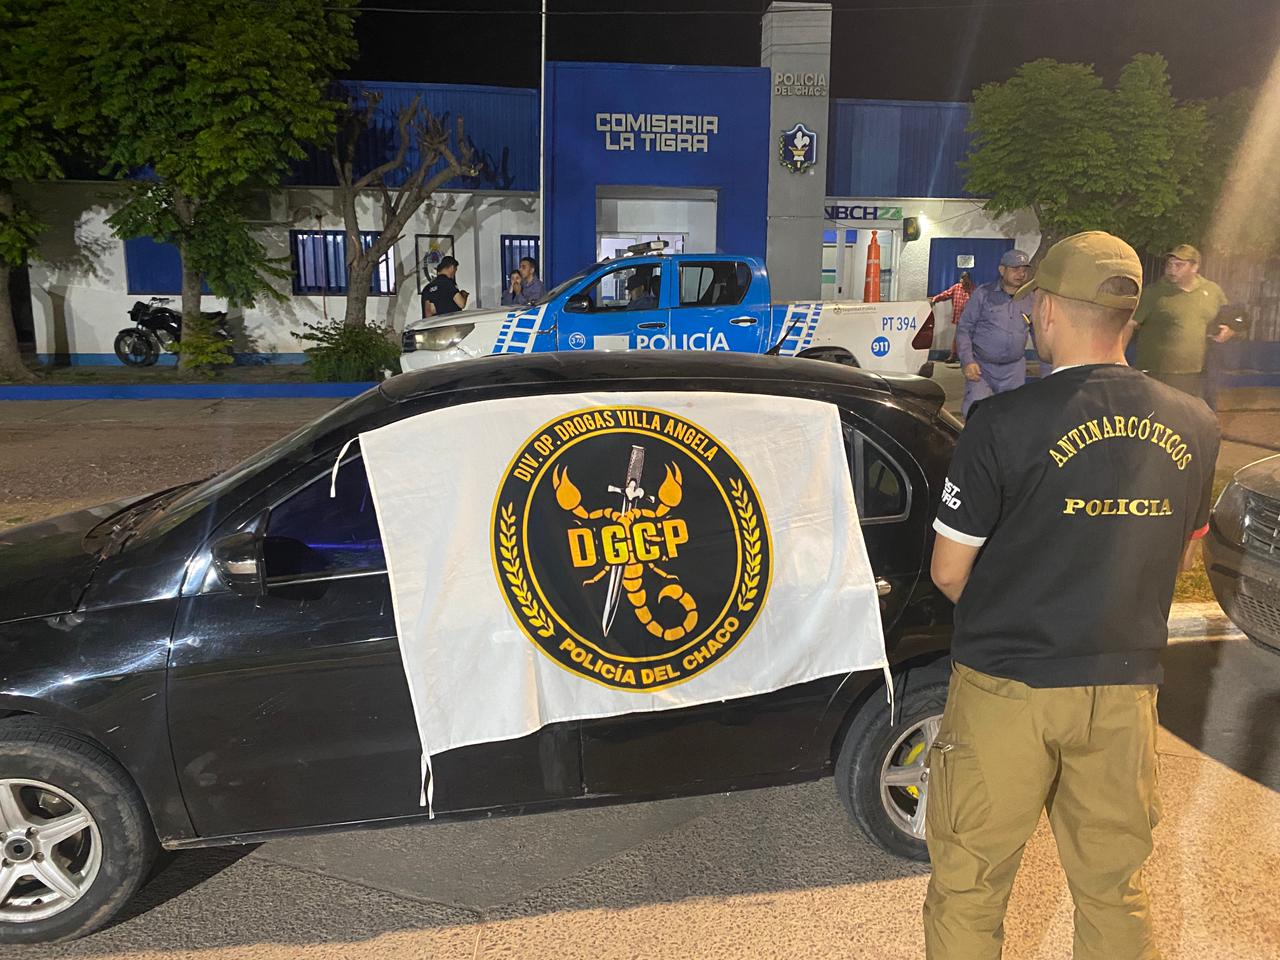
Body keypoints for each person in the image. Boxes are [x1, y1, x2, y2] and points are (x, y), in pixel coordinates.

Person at [924, 231, 1220, 960]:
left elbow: (948, 572)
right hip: (1123, 688)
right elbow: (1180, 550)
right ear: (1129, 317)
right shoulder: (1196, 424)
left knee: (970, 886)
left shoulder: (1001, 422)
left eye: (1035, 305)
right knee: (1114, 890)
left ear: (1050, 310)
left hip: (1008, 686)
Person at [1130, 244, 1232, 410]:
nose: (1172, 269)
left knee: (1188, 418)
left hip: (1195, 373)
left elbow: (1228, 318)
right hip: (1155, 372)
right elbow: (1129, 324)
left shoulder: (1212, 291)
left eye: (1179, 265)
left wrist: (1229, 329)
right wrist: (1118, 362)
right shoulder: (1153, 292)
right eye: (1169, 264)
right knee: (1154, 417)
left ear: (1194, 267)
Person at [956, 250, 1036, 416]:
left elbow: (1040, 335)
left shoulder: (1031, 299)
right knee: (976, 414)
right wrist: (967, 361)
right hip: (982, 369)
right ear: (1002, 270)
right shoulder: (983, 294)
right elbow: (964, 328)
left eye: (1024, 269)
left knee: (1012, 417)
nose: (1021, 274)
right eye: (1015, 269)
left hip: (1014, 371)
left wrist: (1051, 370)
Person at [930, 270, 974, 365]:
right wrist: (935, 299)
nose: (964, 281)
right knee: (958, 336)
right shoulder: (956, 287)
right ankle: (954, 355)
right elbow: (946, 294)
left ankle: (967, 357)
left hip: (970, 318)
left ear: (969, 279)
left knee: (969, 337)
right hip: (959, 317)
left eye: (966, 278)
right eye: (962, 278)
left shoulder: (973, 289)